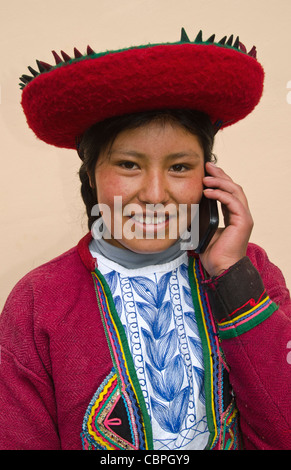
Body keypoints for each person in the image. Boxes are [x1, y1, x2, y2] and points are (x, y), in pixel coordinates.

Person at [0, 28, 290, 451]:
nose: (155, 194)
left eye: (179, 167)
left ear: (211, 179)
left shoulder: (250, 271)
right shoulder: (37, 301)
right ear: (91, 178)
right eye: (129, 164)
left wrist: (231, 277)